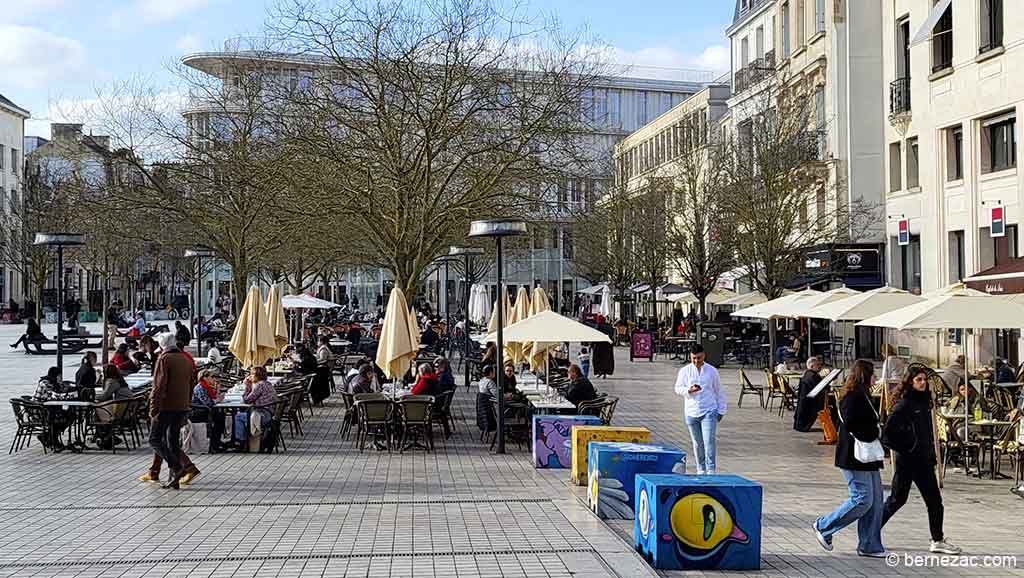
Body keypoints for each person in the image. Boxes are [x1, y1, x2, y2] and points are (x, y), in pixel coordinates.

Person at [880, 366, 961, 554]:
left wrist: (930, 453)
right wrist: (909, 447)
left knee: (934, 501)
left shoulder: (924, 403)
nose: (923, 383)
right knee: (897, 499)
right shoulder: (904, 405)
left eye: (925, 379)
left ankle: (937, 539)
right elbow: (888, 435)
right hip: (908, 461)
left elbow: (925, 433)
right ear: (910, 382)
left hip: (923, 461)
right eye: (919, 380)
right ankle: (870, 529)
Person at [812, 359, 886, 557]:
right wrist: (875, 431)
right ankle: (824, 525)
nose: (876, 378)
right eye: (873, 374)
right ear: (864, 375)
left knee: (877, 500)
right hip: (854, 455)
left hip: (867, 456)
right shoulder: (852, 397)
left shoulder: (865, 395)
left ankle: (869, 544)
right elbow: (853, 424)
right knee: (862, 499)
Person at [145, 332, 199, 489]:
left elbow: (158, 387)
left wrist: (153, 408)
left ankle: (177, 468)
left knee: (154, 439)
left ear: (162, 345)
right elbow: (191, 383)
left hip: (166, 406)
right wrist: (187, 404)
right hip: (182, 406)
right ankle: (174, 478)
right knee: (173, 442)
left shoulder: (164, 359)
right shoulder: (185, 358)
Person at [674, 344, 727, 475]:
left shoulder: (712, 371)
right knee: (697, 442)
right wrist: (688, 390)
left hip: (709, 409)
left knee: (709, 440)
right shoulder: (685, 371)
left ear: (704, 356)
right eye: (694, 358)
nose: (696, 361)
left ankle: (711, 469)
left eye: (699, 358)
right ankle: (700, 468)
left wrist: (721, 410)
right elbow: (677, 388)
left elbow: (719, 391)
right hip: (691, 411)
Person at [235, 366, 276, 446]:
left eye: (251, 374)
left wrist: (247, 386)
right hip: (269, 413)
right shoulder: (267, 384)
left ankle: (240, 441)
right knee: (243, 414)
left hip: (262, 415)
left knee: (238, 416)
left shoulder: (259, 385)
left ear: (257, 376)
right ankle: (244, 440)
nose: (250, 377)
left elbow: (246, 400)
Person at [191, 369, 225, 453]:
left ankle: (216, 442)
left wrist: (217, 391)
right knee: (219, 418)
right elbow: (208, 403)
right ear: (205, 378)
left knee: (221, 416)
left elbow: (213, 399)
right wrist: (218, 399)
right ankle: (214, 444)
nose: (214, 379)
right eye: (211, 377)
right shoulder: (200, 387)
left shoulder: (207, 387)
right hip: (199, 411)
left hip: (206, 410)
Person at [793, 357, 825, 432]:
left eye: (820, 364)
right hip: (809, 404)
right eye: (817, 365)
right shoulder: (813, 376)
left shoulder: (808, 374)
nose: (820, 366)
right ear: (811, 366)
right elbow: (820, 388)